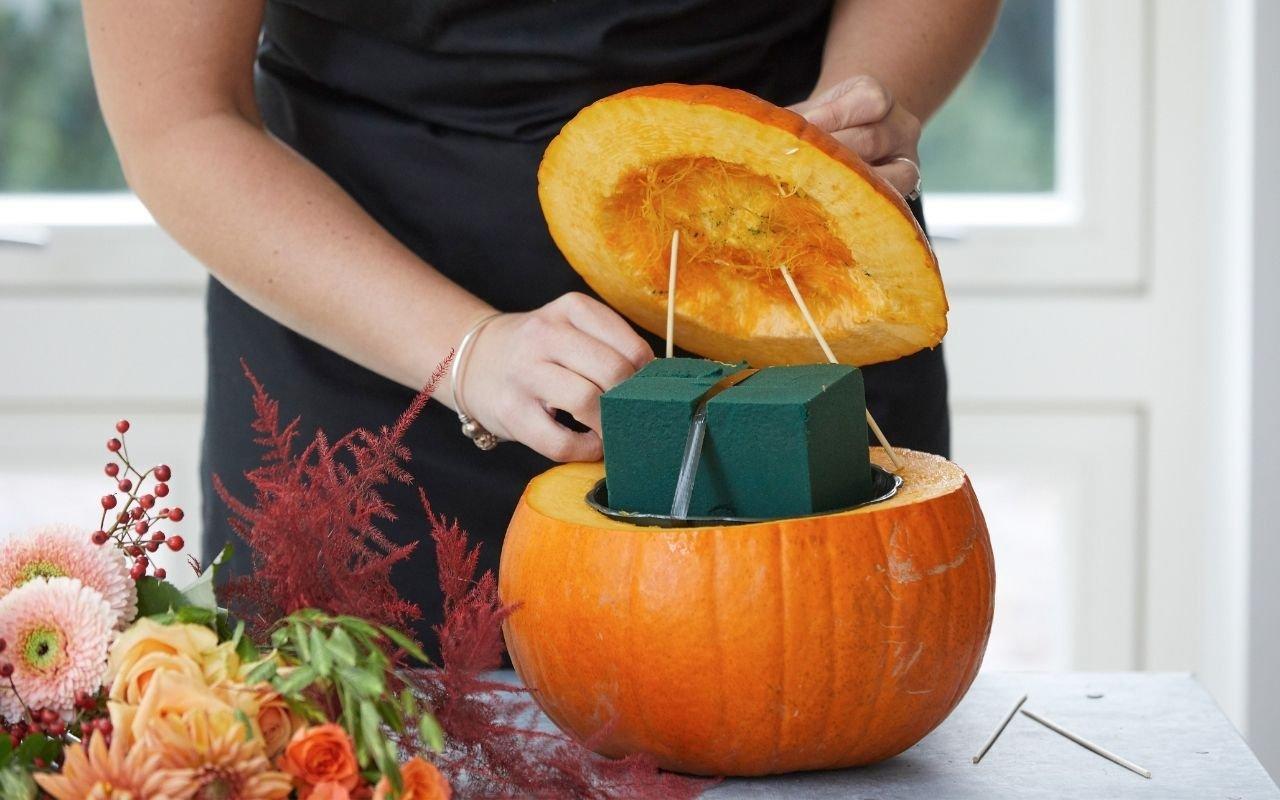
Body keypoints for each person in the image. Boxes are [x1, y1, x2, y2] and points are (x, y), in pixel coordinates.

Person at [85, 0, 1000, 645]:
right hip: (366, 375)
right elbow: (177, 116)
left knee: (821, 687)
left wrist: (855, 107)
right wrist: (469, 351)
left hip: (795, 303)